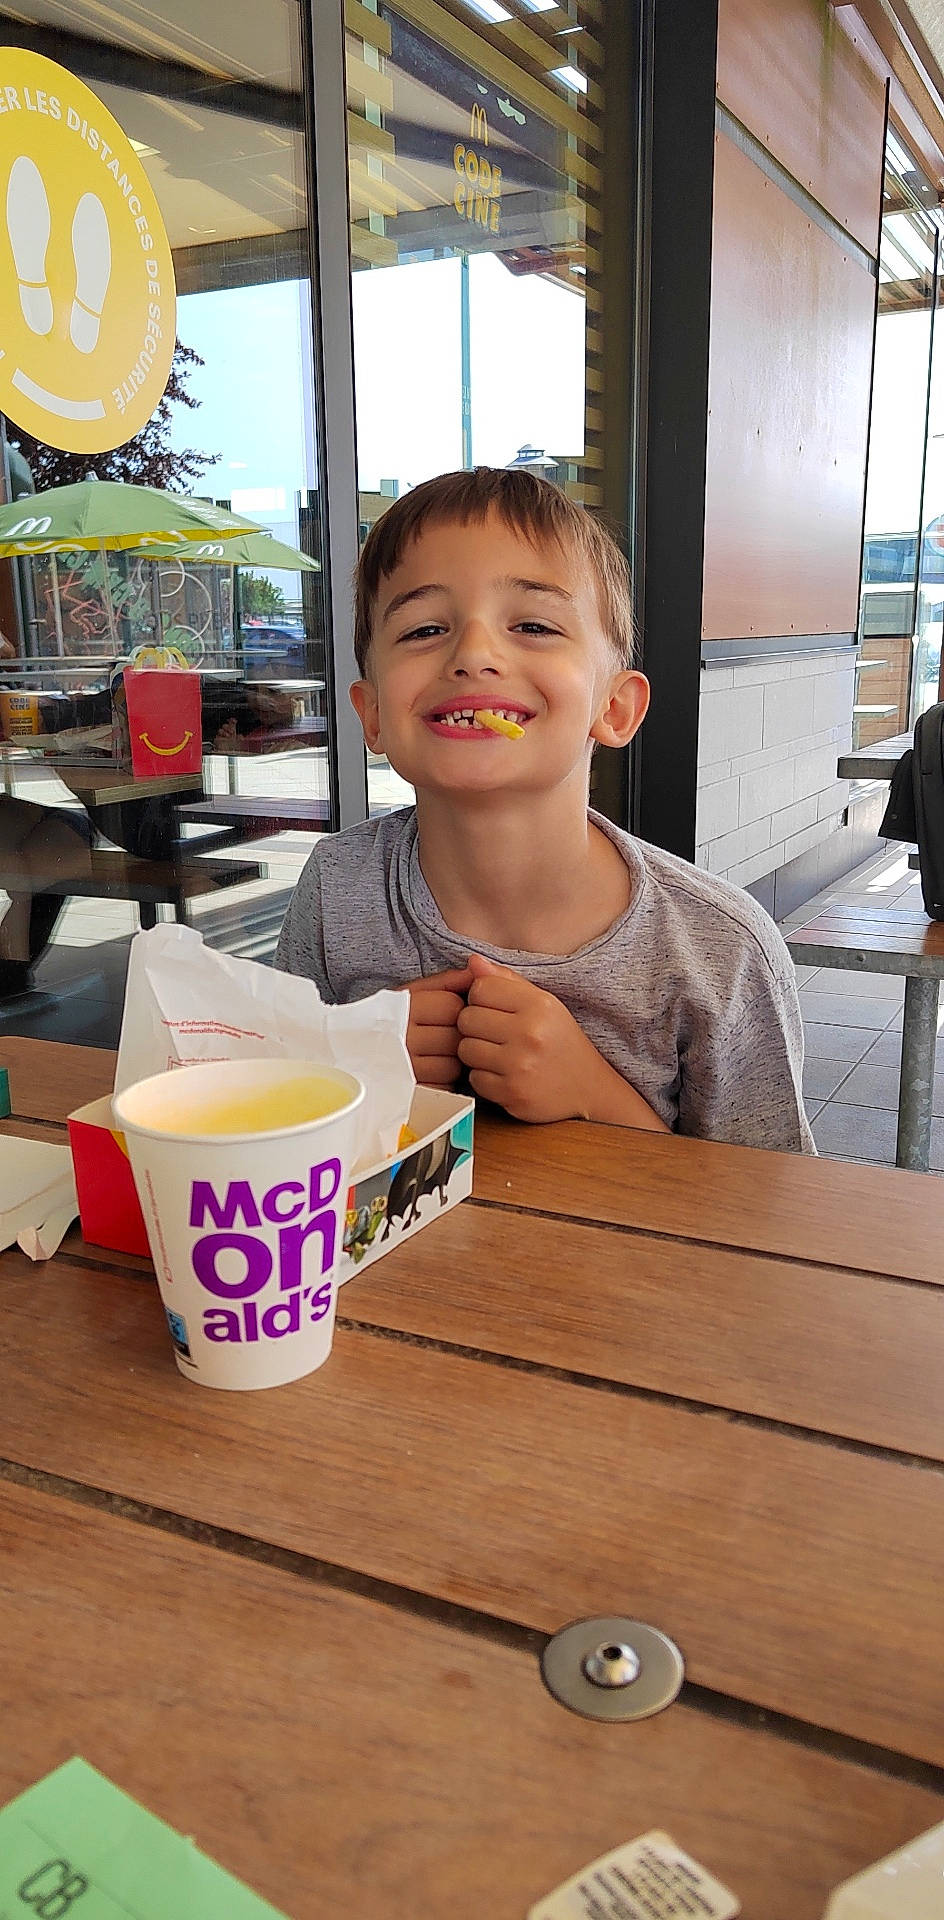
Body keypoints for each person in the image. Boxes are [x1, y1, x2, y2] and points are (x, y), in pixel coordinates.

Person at [276, 468, 813, 1151]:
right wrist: (349, 1063)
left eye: (532, 624)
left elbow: (766, 1219)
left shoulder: (721, 952)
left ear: (614, 708)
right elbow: (266, 1114)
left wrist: (596, 1096)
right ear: (373, 714)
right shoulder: (336, 890)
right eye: (423, 629)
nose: (473, 653)